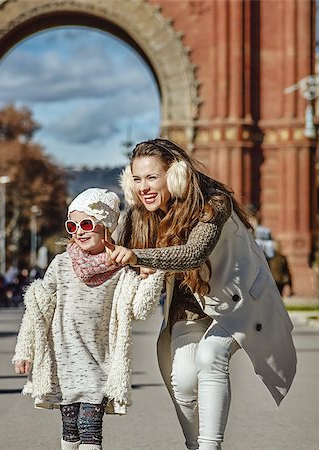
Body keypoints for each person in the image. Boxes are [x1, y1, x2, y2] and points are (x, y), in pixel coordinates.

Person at [106, 139, 297, 450]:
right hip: (188, 306)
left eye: (153, 177)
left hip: (237, 300)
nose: (144, 187)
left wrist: (139, 256)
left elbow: (194, 253)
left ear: (177, 174)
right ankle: (195, 445)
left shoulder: (214, 203)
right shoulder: (140, 215)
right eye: (137, 179)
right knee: (181, 378)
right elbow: (111, 250)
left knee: (211, 356)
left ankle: (210, 446)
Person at [12, 188, 165, 450]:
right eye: (72, 225)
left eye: (86, 224)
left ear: (106, 226)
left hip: (99, 362)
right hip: (63, 361)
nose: (79, 231)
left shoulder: (120, 268)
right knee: (70, 429)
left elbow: (139, 309)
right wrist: (25, 351)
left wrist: (153, 276)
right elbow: (37, 308)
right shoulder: (61, 264)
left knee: (90, 428)